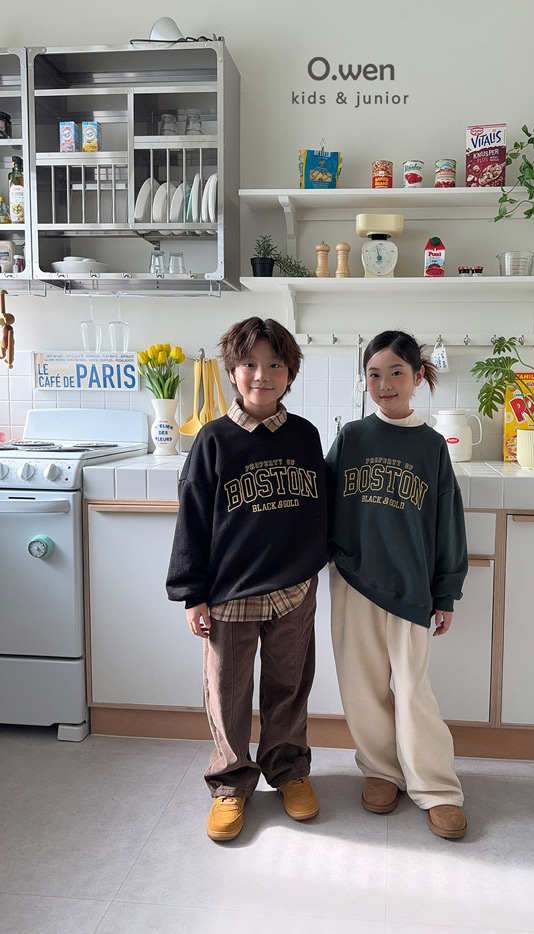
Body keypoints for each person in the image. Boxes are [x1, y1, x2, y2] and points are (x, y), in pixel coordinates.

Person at [166, 317, 327, 842]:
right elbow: (192, 519)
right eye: (250, 364)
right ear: (232, 371)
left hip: (293, 590)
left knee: (289, 686)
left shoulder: (305, 435)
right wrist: (191, 593)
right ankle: (231, 783)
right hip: (229, 594)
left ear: (290, 373)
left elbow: (317, 509)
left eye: (275, 364)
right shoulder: (213, 440)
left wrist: (315, 563)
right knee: (228, 692)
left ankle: (288, 770)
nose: (262, 375)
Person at [325, 330, 468, 839]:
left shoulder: (432, 446)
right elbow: (321, 504)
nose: (385, 384)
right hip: (353, 580)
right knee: (361, 687)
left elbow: (448, 524)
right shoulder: (352, 437)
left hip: (410, 588)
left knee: (412, 691)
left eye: (396, 373)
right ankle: (381, 771)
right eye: (374, 374)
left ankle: (437, 788)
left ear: (417, 377)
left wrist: (445, 592)